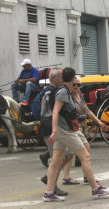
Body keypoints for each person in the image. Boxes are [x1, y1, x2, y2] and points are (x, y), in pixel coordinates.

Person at [44, 67, 109, 202]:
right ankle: (96, 189)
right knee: (85, 156)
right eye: (75, 80)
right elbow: (55, 112)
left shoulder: (67, 91)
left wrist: (98, 122)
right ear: (72, 78)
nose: (77, 84)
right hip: (65, 130)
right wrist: (53, 131)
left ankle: (49, 193)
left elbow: (84, 110)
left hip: (63, 129)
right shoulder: (63, 92)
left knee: (56, 160)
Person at [60, 76, 107, 184]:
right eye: (74, 84)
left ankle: (80, 176)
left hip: (80, 125)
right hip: (71, 127)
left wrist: (99, 122)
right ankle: (69, 177)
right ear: (69, 85)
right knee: (74, 152)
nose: (76, 86)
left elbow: (87, 110)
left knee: (77, 151)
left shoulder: (79, 94)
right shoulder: (66, 96)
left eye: (78, 84)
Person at [37, 68, 73, 196]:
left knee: (68, 155)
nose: (63, 78)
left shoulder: (52, 91)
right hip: (50, 128)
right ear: (55, 78)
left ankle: (49, 179)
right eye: (61, 76)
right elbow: (50, 112)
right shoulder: (51, 92)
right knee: (57, 160)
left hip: (54, 128)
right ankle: (52, 187)